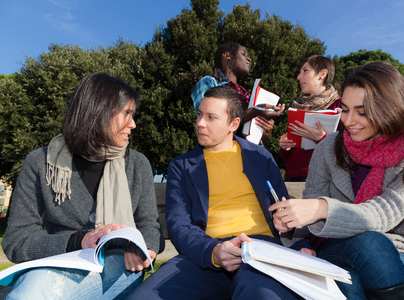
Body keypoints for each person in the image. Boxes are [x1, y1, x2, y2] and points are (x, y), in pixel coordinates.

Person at [270, 61, 404, 299]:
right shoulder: (329, 148)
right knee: (366, 248)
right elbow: (309, 221)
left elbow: (384, 215)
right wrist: (291, 222)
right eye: (344, 109)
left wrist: (322, 208)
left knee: (359, 272)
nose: (349, 121)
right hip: (335, 249)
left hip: (401, 260)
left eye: (362, 112)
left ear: (390, 108)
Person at [127, 86, 312, 300]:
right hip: (206, 253)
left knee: (261, 296)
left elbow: (283, 208)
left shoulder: (260, 157)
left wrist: (300, 244)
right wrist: (214, 251)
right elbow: (179, 225)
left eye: (211, 117)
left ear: (233, 124)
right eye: (199, 114)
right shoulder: (181, 166)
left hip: (260, 251)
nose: (200, 123)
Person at [2, 73, 164, 299]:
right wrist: (77, 241)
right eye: (126, 114)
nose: (133, 124)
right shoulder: (40, 162)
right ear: (98, 112)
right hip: (51, 266)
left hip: (118, 267)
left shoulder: (136, 164)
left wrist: (144, 249)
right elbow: (16, 241)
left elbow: (150, 226)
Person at [191, 41, 285, 141]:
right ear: (227, 56)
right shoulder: (209, 82)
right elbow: (210, 122)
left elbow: (249, 133)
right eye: (243, 54)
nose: (249, 58)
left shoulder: (246, 95)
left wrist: (264, 131)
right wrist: (253, 112)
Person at [279, 55, 341, 182]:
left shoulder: (340, 106)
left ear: (322, 74)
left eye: (305, 71)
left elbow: (347, 149)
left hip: (323, 177)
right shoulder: (298, 107)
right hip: (292, 176)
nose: (299, 77)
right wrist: (285, 147)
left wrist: (322, 139)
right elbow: (286, 156)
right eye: (299, 72)